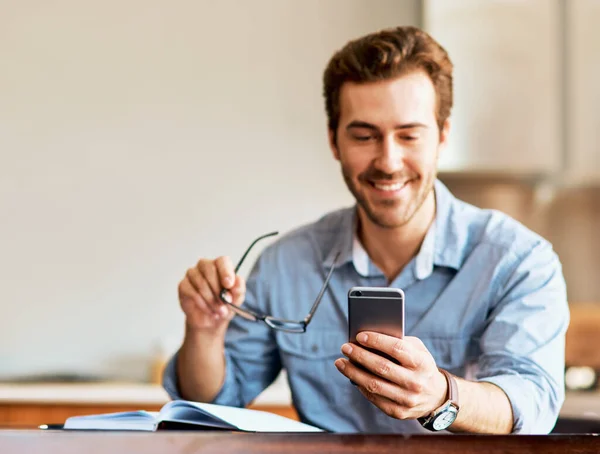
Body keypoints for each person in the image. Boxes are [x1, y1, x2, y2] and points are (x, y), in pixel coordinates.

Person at [162, 25, 569, 434]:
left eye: (409, 135)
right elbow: (211, 404)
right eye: (364, 135)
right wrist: (204, 332)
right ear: (334, 141)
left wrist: (441, 396)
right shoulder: (286, 264)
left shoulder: (517, 260)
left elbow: (531, 404)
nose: (388, 161)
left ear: (443, 137)